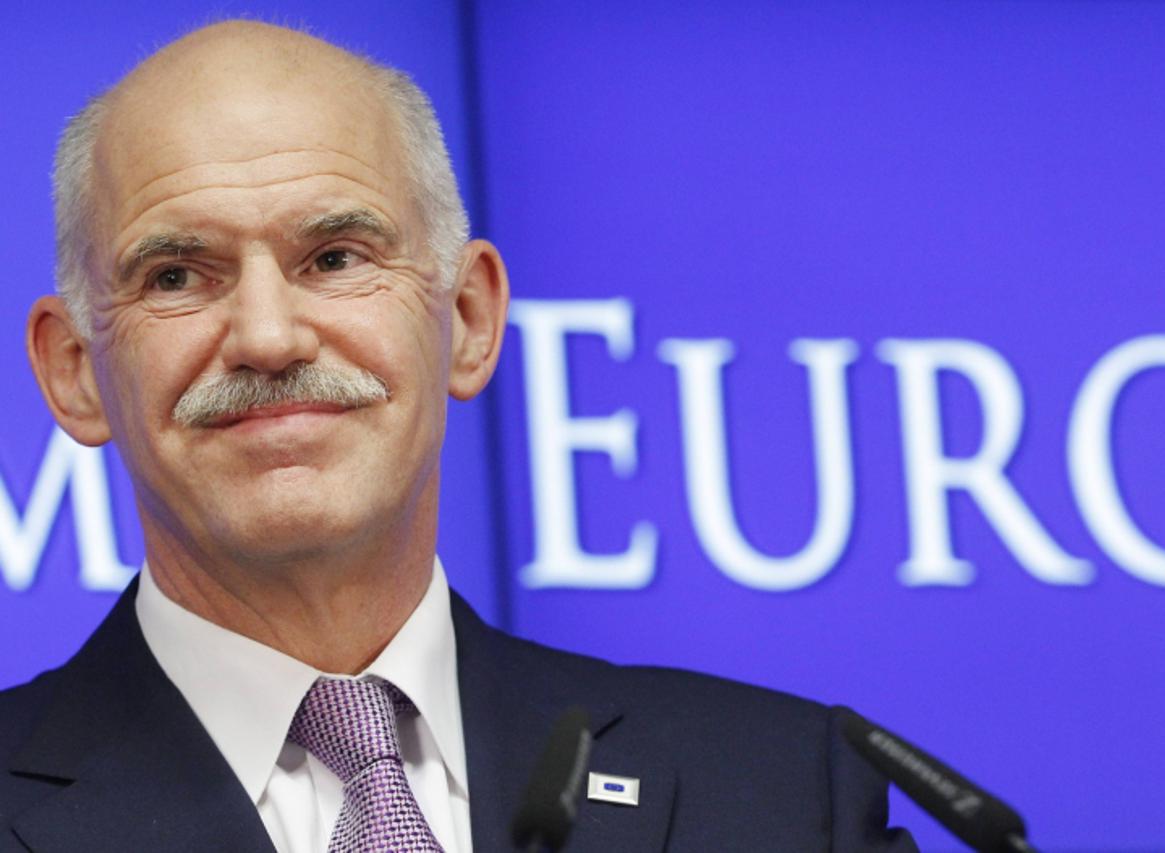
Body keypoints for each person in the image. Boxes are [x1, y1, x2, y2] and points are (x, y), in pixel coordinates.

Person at [0, 20, 914, 852]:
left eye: (333, 258)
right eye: (174, 275)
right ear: (75, 370)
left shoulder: (783, 792)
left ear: (469, 319)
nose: (268, 337)